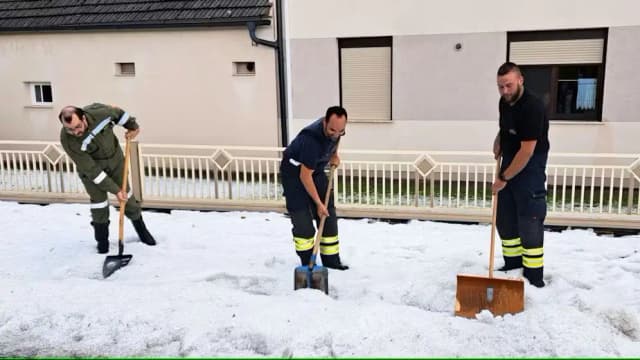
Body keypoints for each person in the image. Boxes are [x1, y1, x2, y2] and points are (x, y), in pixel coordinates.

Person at [59, 103, 156, 253]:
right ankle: (102, 242)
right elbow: (91, 170)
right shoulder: (68, 140)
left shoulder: (101, 113)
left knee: (127, 197)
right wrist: (115, 190)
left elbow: (120, 114)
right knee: (99, 204)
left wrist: (133, 127)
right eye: (70, 129)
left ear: (83, 117)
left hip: (116, 161)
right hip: (92, 172)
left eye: (77, 126)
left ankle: (142, 231)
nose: (75, 132)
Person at [492, 62, 550, 288]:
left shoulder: (532, 106)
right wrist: (499, 141)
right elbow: (505, 128)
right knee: (505, 220)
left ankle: (534, 278)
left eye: (508, 85)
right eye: (500, 87)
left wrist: (502, 179)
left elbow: (527, 151)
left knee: (529, 222)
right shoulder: (504, 103)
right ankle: (512, 265)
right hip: (510, 161)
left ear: (520, 80)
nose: (504, 91)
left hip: (530, 167)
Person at [280, 106, 349, 270]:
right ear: (325, 122)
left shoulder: (336, 131)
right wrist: (317, 203)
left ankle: (331, 260)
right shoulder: (311, 139)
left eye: (341, 131)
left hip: (315, 170)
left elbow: (335, 140)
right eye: (332, 130)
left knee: (328, 213)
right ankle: (307, 262)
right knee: (302, 218)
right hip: (294, 174)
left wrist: (334, 155)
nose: (336, 134)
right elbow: (305, 176)